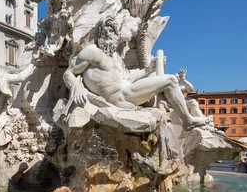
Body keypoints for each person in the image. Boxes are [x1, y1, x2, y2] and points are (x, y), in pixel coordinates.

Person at [63, 16, 213, 130]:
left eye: (113, 31)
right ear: (99, 34)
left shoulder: (114, 57)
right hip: (119, 97)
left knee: (164, 82)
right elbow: (68, 73)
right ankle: (187, 120)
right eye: (106, 31)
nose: (109, 34)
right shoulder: (92, 52)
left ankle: (181, 116)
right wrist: (78, 91)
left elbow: (128, 77)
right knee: (171, 80)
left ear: (116, 36)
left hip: (128, 93)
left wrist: (149, 69)